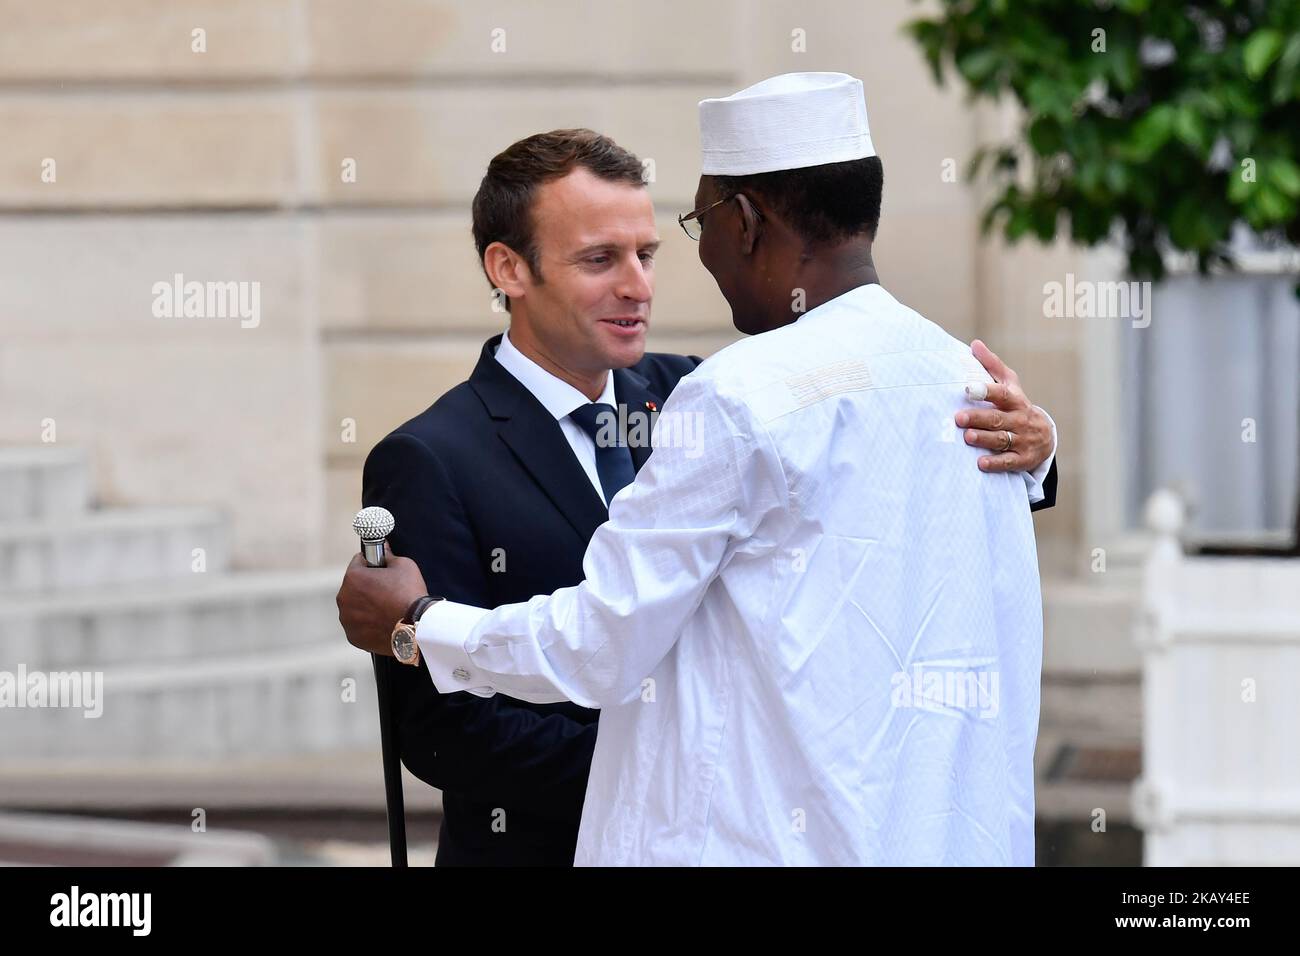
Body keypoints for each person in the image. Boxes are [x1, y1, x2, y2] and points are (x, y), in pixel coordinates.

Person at [343, 76, 1058, 865]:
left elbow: (605, 636)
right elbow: (447, 736)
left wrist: (1037, 454)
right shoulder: (433, 456)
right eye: (599, 258)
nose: (640, 284)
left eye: (653, 250)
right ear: (509, 269)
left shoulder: (726, 391)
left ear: (746, 223)